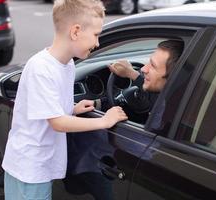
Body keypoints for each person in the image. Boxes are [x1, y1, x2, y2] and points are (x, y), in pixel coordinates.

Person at [1, 0, 127, 199]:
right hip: (29, 170)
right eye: (96, 34)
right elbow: (58, 123)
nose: (98, 43)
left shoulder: (67, 65)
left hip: (41, 165)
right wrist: (104, 121)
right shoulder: (41, 68)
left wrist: (72, 109)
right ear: (75, 31)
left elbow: (53, 110)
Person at [65, 39, 184, 200]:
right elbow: (154, 91)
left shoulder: (169, 107)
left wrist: (106, 121)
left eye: (153, 66)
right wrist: (131, 74)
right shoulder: (183, 96)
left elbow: (142, 149)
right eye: (148, 62)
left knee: (93, 144)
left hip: (133, 167)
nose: (143, 69)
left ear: (172, 78)